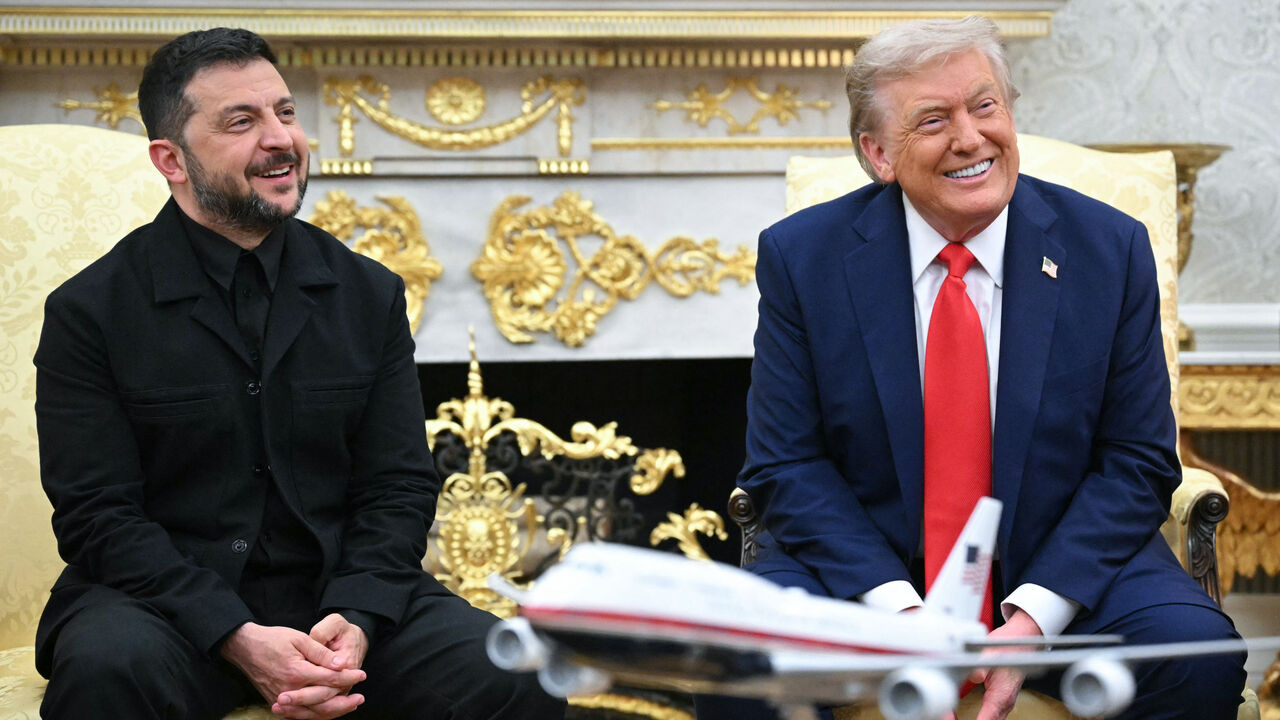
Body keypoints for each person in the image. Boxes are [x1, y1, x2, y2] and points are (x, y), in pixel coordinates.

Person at [697, 15, 1243, 720]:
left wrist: (1033, 621)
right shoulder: (805, 258)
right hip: (865, 570)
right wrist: (896, 612)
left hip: (1066, 568)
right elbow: (785, 463)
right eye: (933, 120)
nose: (970, 137)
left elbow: (1136, 460)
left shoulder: (1109, 250)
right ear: (878, 153)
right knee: (740, 669)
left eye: (984, 106)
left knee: (1194, 654)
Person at [33, 27, 564, 720]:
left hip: (338, 601)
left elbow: (398, 484)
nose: (280, 138)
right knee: (109, 671)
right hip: (164, 608)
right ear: (171, 158)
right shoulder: (91, 311)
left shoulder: (368, 294)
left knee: (514, 673)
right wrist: (232, 633)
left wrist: (360, 613)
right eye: (241, 121)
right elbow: (97, 516)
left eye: (284, 112)